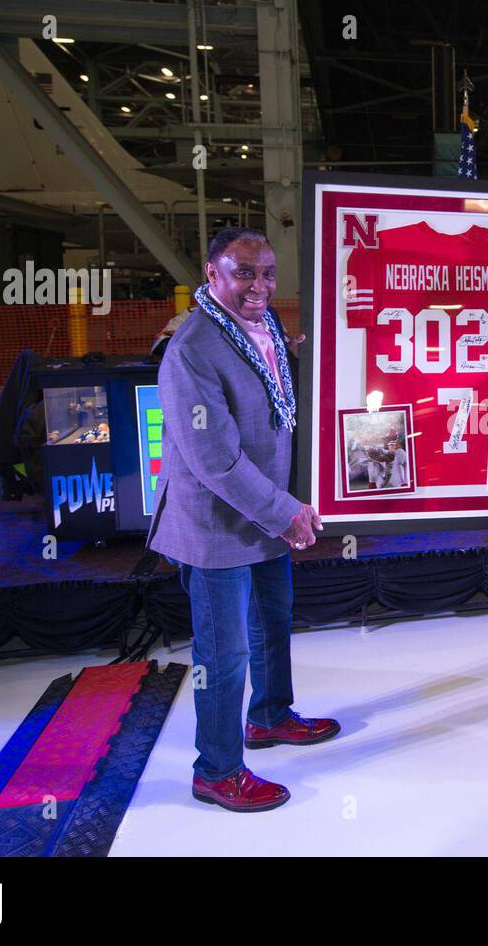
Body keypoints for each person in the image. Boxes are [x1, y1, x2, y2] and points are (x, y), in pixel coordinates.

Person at [147, 227, 337, 814]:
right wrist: (287, 513)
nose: (260, 285)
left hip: (266, 514)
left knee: (271, 624)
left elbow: (279, 411)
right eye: (244, 272)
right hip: (216, 527)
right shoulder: (192, 348)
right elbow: (214, 459)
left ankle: (271, 716)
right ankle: (217, 770)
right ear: (212, 273)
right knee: (223, 654)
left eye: (269, 274)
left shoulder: (269, 327)